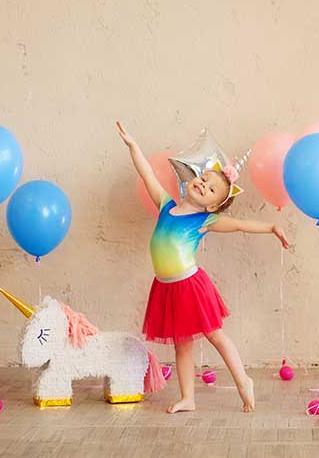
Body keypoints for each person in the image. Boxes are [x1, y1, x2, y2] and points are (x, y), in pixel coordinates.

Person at [117, 122, 289, 413]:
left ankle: (244, 380)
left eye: (211, 189)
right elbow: (146, 173)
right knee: (181, 345)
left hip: (190, 286)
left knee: (215, 335)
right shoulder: (165, 204)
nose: (203, 184)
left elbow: (239, 226)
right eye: (204, 178)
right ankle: (188, 398)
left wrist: (271, 226)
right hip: (166, 287)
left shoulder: (204, 221)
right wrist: (133, 145)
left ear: (212, 206)